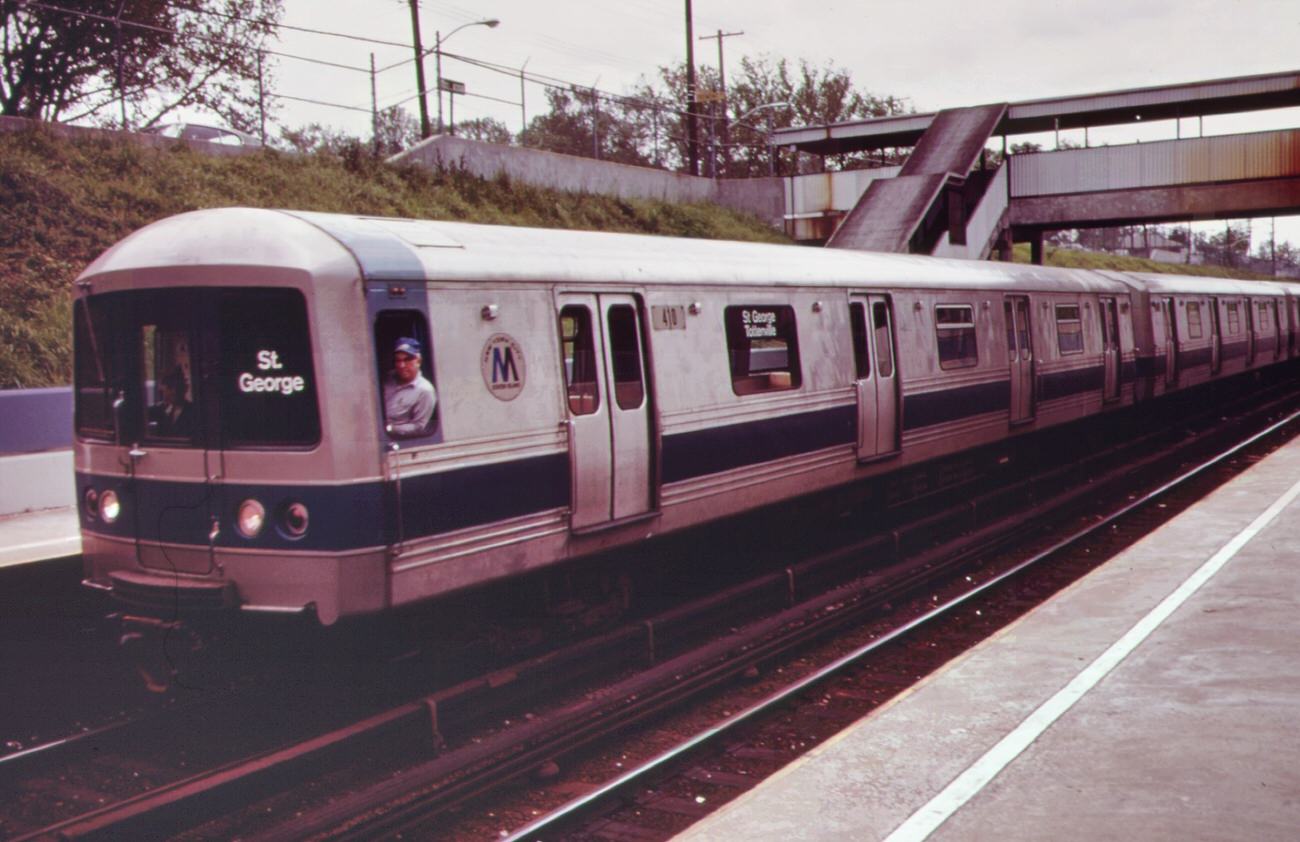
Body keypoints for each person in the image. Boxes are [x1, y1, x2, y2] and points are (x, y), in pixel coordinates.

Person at [383, 337, 436, 436]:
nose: (401, 365)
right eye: (398, 360)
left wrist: (389, 428)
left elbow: (418, 426)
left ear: (418, 361)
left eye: (407, 360)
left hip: (393, 438)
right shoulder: (387, 377)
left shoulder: (425, 390)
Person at [149, 366, 194, 438]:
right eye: (169, 387)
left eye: (178, 387)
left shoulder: (193, 412)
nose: (174, 391)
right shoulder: (161, 409)